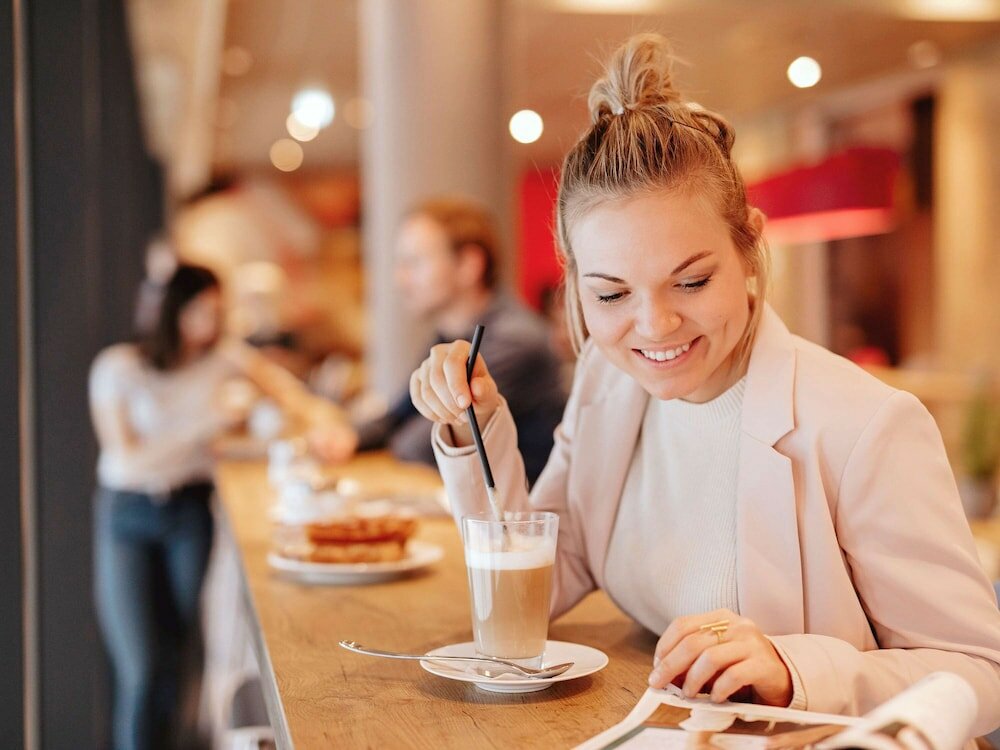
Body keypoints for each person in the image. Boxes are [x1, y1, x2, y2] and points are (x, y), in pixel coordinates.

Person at [408, 34, 1000, 735]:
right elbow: (540, 587)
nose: (654, 326)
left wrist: (794, 669)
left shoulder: (866, 426)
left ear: (748, 245)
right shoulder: (608, 384)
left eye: (691, 281)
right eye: (610, 294)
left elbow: (979, 672)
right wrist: (471, 425)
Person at [90, 263, 355, 750]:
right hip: (127, 514)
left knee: (184, 655)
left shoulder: (225, 359)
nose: (212, 322)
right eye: (201, 310)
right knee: (144, 665)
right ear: (173, 309)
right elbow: (127, 458)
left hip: (190, 511)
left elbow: (297, 399)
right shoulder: (118, 368)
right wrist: (210, 422)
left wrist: (331, 426)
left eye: (218, 310)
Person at [355, 197, 565, 485]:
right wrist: (351, 438)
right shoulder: (450, 336)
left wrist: (384, 440)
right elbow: (401, 413)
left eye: (414, 263)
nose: (400, 279)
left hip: (522, 517)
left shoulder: (516, 340)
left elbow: (421, 444)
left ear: (469, 265)